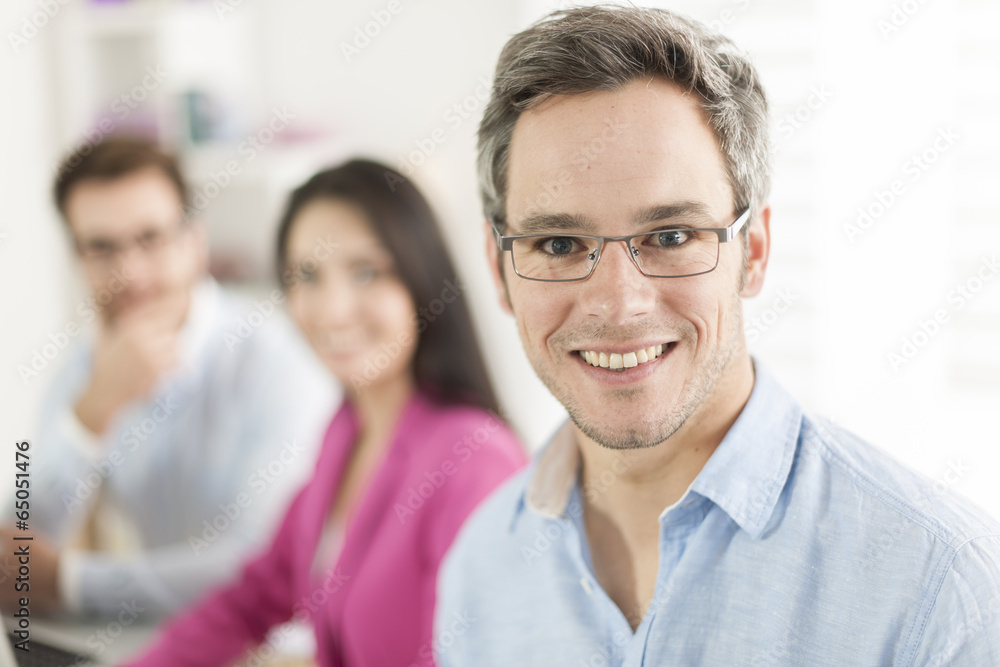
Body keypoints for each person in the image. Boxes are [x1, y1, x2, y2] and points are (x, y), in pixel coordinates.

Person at [436, 6, 1000, 666]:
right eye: (558, 242)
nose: (619, 303)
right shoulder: (482, 567)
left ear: (754, 249)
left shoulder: (941, 590)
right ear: (499, 269)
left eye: (671, 236)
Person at [127, 159, 526, 666]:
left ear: (420, 278)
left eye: (366, 272)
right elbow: (253, 598)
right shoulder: (347, 432)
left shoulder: (474, 459)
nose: (333, 309)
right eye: (307, 275)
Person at [0, 137, 337, 617]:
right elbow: (14, 555)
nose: (130, 273)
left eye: (150, 239)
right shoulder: (81, 369)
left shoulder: (277, 360)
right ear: (77, 259)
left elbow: (259, 566)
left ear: (193, 241)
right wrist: (92, 412)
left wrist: (71, 583)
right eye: (101, 248)